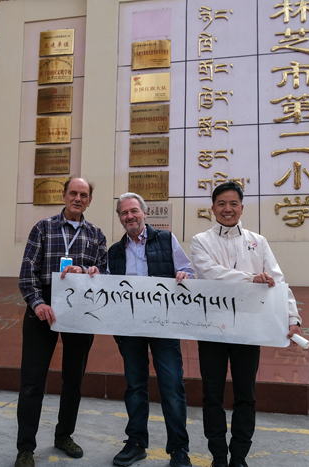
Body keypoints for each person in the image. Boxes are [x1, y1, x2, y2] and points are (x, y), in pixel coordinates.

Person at [190, 182, 302, 467]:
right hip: (213, 328)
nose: (227, 209)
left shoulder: (258, 241)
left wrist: (292, 318)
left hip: (249, 328)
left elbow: (277, 280)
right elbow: (211, 275)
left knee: (246, 395)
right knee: (212, 395)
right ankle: (218, 456)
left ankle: (239, 456)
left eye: (233, 204)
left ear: (242, 207)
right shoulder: (201, 241)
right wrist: (250, 279)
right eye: (221, 203)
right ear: (212, 208)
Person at [16, 177, 108, 467]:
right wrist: (37, 303)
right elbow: (27, 271)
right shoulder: (43, 228)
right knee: (32, 381)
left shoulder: (96, 234)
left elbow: (105, 273)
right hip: (44, 305)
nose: (78, 198)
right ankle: (25, 448)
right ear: (64, 195)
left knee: (73, 379)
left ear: (89, 201)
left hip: (79, 309)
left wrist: (91, 272)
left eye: (84, 195)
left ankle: (64, 435)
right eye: (73, 193)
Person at [107, 192, 194, 467]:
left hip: (164, 325)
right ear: (120, 218)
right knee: (135, 386)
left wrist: (185, 276)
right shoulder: (114, 251)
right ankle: (136, 443)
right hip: (130, 328)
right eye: (124, 213)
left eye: (134, 210)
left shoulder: (166, 240)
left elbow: (188, 271)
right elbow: (107, 288)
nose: (130, 216)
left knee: (172, 386)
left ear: (144, 213)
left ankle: (179, 449)